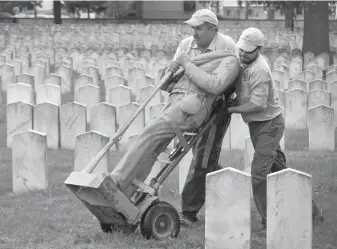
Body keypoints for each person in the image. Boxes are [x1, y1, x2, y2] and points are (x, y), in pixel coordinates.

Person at [109, 9, 241, 199]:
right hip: (175, 101)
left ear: (213, 29)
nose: (194, 33)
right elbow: (168, 84)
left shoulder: (228, 49)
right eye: (192, 28)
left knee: (152, 133)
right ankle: (125, 195)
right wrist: (168, 72)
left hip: (195, 106)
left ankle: (116, 180)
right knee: (154, 145)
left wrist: (186, 64)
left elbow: (216, 85)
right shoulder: (186, 45)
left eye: (199, 29)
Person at [225, 27, 323, 233]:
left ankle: (269, 220)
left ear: (259, 50)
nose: (242, 53)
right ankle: (312, 212)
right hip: (258, 124)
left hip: (268, 125)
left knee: (259, 173)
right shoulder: (244, 62)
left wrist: (231, 109)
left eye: (248, 51)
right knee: (282, 172)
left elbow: (257, 105)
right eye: (241, 49)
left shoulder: (259, 70)